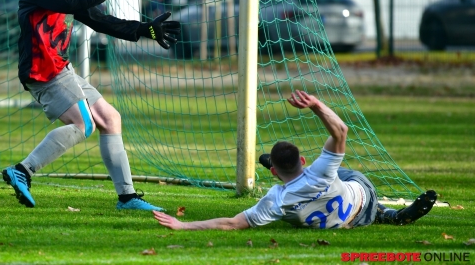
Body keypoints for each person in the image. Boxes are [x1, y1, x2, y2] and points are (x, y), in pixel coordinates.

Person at [2, 0, 181, 211]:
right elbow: (70, 0)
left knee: (110, 119)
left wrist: (143, 29)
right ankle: (23, 170)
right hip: (43, 71)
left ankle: (127, 198)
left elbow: (98, 19)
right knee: (83, 124)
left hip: (61, 69)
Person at [152, 90, 436, 230]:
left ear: (274, 173)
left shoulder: (275, 200)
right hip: (362, 201)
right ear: (302, 158)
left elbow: (231, 223)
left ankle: (388, 215)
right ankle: (389, 214)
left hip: (339, 220)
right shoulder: (320, 170)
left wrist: (184, 225)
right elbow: (341, 131)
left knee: (332, 172)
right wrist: (315, 105)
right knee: (343, 171)